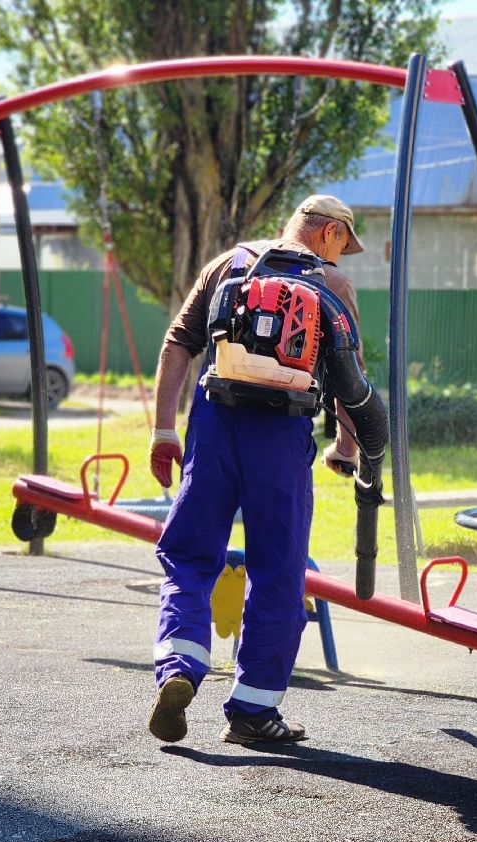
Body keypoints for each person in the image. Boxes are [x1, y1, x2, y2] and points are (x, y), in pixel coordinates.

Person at [145, 194, 379, 748]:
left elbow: (178, 341)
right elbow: (351, 383)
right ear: (327, 233)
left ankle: (179, 664)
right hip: (281, 432)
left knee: (188, 555)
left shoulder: (227, 265)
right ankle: (253, 710)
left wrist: (163, 430)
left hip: (215, 424)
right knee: (278, 570)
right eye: (344, 244)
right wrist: (347, 447)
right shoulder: (331, 286)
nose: (343, 256)